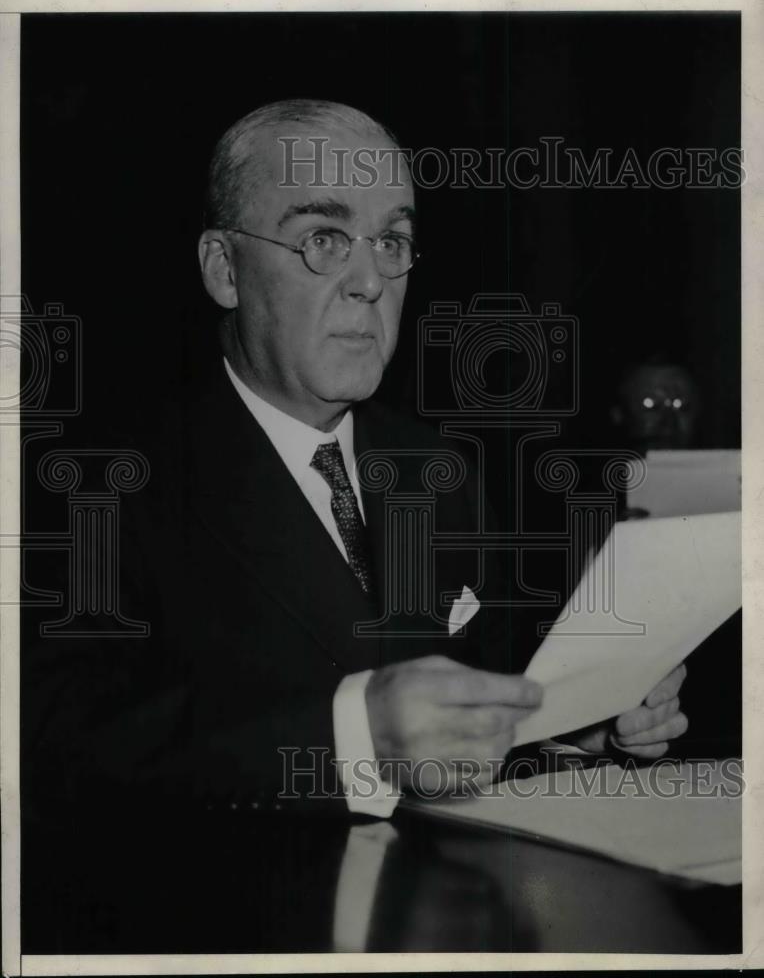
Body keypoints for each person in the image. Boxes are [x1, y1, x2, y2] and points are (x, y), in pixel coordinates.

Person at [23, 100, 688, 820]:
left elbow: (481, 705)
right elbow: (57, 755)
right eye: (324, 238)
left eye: (391, 242)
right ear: (224, 270)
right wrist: (356, 736)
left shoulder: (438, 470)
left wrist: (575, 725)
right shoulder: (99, 486)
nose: (369, 281)